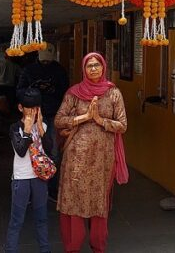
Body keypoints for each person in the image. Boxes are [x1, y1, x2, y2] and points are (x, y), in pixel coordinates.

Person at [54, 53, 128, 253]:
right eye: (89, 66)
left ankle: (98, 247)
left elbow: (122, 125)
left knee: (98, 202)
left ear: (103, 67)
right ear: (83, 70)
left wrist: (100, 120)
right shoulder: (74, 93)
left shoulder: (113, 93)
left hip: (102, 159)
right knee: (74, 202)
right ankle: (72, 247)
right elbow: (59, 120)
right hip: (75, 159)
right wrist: (84, 117)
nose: (93, 69)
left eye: (97, 65)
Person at [3, 88, 53, 253]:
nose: (32, 111)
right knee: (17, 220)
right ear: (20, 108)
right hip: (21, 178)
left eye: (36, 108)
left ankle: (45, 250)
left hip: (39, 177)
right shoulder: (14, 128)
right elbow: (21, 150)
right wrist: (26, 129)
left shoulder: (43, 125)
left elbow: (50, 149)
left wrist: (40, 128)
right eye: (29, 107)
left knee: (41, 218)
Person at [18, 46, 70, 197]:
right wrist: (33, 92)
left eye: (49, 60)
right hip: (32, 115)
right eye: (43, 60)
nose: (46, 63)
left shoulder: (59, 70)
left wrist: (53, 91)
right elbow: (19, 90)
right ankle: (32, 190)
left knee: (53, 151)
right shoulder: (29, 70)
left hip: (54, 113)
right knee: (32, 150)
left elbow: (65, 91)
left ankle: (52, 188)